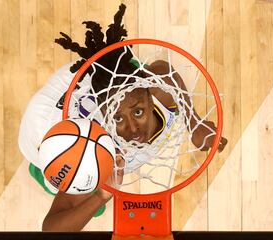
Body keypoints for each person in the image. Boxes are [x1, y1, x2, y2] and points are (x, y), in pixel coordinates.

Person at [18, 4, 227, 231]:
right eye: (117, 119)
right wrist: (102, 196)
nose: (133, 129)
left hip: (86, 87)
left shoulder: (158, 90)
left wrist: (193, 122)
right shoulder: (88, 156)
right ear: (105, 116)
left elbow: (163, 70)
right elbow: (51, 229)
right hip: (41, 132)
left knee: (129, 69)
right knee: (85, 194)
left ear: (149, 94)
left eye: (138, 112)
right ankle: (39, 171)